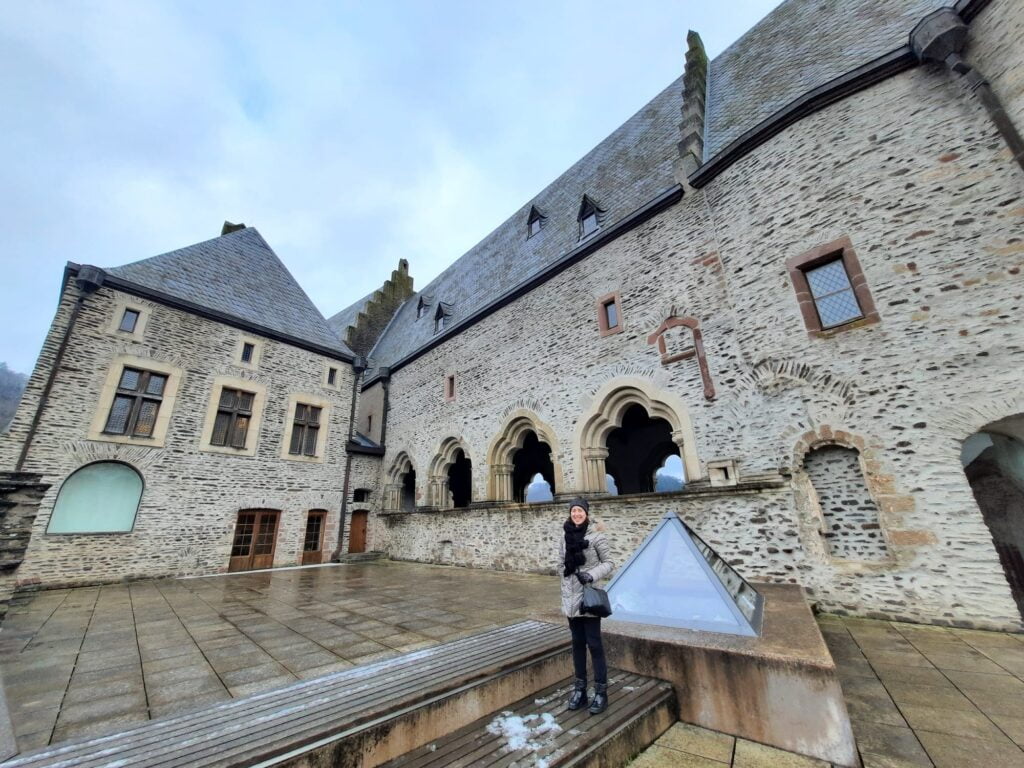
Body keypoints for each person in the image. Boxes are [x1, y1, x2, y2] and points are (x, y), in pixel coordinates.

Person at [559, 497, 614, 714]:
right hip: (571, 598)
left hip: (589, 598)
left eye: (580, 511)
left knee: (595, 644)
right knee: (577, 644)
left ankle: (601, 691)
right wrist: (565, 582)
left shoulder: (597, 536)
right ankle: (580, 690)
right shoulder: (564, 537)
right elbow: (560, 564)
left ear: (587, 513)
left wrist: (590, 575)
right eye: (573, 511)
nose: (577, 514)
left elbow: (609, 563)